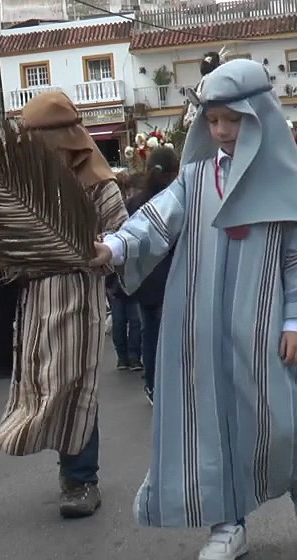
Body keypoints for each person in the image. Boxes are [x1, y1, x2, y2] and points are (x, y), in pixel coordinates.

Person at [93, 59, 297, 557]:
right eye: (213, 120)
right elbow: (155, 222)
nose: (222, 130)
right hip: (200, 326)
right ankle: (228, 523)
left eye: (233, 119)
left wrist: (296, 322)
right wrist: (114, 246)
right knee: (212, 424)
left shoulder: (282, 181)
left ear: (257, 116)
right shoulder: (196, 176)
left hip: (268, 329)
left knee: (282, 421)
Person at [0, 91, 127, 521]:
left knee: (73, 383)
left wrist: (99, 251)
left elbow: (124, 235)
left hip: (79, 296)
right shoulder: (23, 189)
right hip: (35, 299)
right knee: (46, 384)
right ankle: (68, 466)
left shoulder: (99, 185)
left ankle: (80, 479)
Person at [126, 146, 180, 405]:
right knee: (173, 335)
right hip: (172, 277)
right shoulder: (176, 202)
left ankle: (152, 385)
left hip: (145, 280)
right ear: (175, 172)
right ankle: (173, 385)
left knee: (150, 334)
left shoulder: (135, 202)